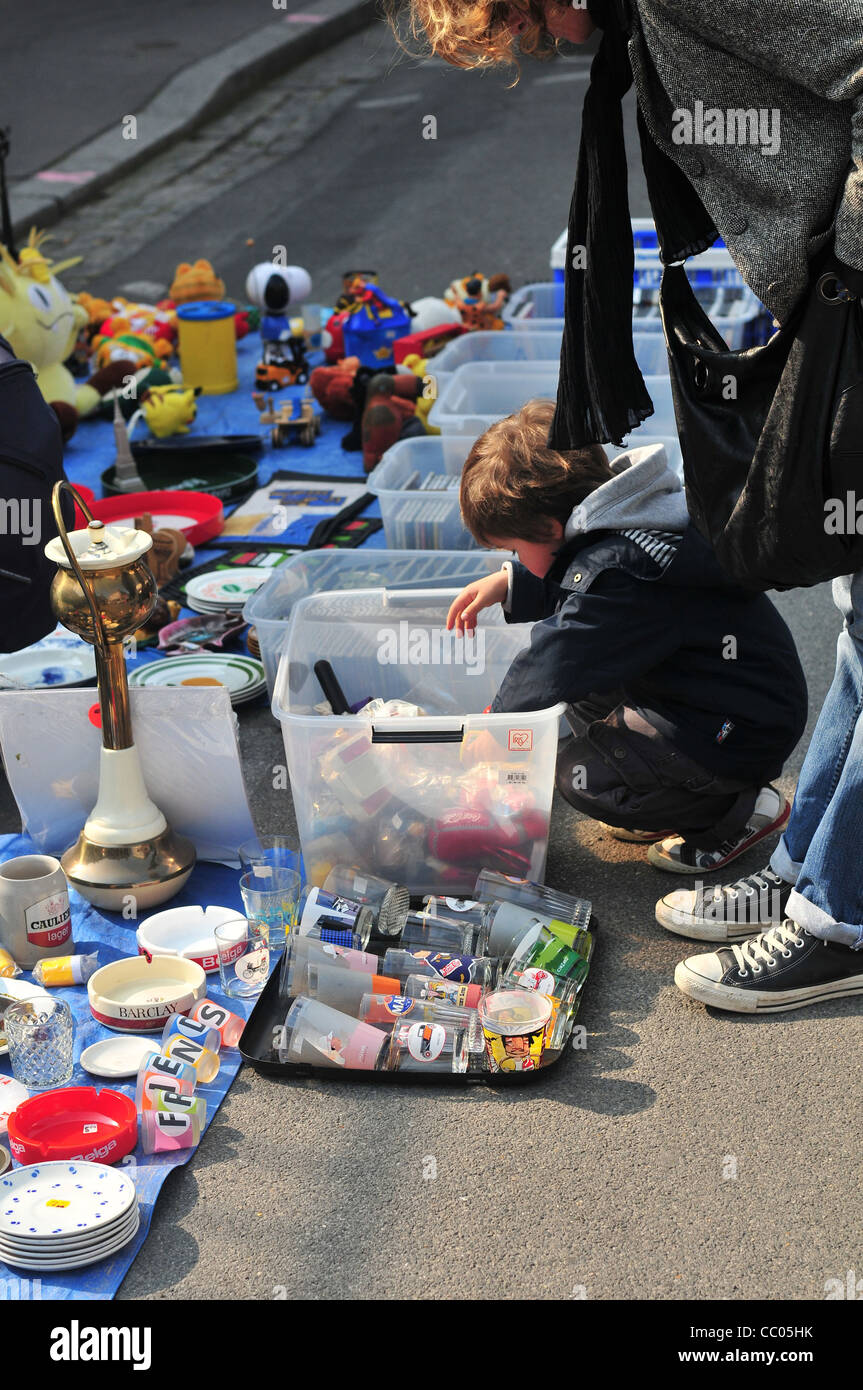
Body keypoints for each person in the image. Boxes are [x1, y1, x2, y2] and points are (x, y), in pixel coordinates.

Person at [395, 0, 863, 1012]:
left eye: (525, 22)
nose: (551, 46)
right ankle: (802, 876)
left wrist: (846, 268)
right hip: (832, 315)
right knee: (860, 630)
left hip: (850, 307)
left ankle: (838, 917)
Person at [447, 400, 806, 872]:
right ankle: (674, 791)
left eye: (514, 548)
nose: (513, 555)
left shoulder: (620, 572)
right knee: (583, 692)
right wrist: (513, 582)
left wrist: (497, 720)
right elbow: (577, 581)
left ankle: (733, 814)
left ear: (550, 527)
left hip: (734, 730)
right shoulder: (627, 519)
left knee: (580, 778)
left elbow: (559, 654)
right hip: (733, 697)